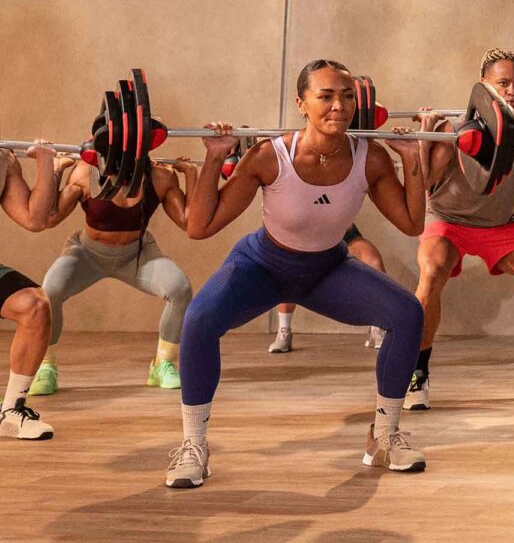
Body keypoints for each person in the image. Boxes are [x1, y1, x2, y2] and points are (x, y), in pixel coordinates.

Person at [163, 59, 428, 489]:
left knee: (407, 312)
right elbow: (199, 227)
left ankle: (383, 438)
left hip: (327, 269)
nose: (338, 106)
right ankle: (194, 447)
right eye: (325, 96)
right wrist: (214, 158)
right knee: (198, 320)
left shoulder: (370, 158)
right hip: (262, 266)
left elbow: (413, 224)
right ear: (302, 104)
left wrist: (413, 161)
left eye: (346, 96)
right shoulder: (269, 156)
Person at [406, 48, 514, 410]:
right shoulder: (456, 127)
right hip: (448, 220)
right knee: (432, 272)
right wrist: (427, 130)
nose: (513, 91)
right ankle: (417, 375)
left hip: (499, 224)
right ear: (484, 85)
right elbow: (424, 183)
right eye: (503, 83)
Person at [32, 157, 198, 395]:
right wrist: (55, 170)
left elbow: (189, 221)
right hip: (87, 253)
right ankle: (45, 367)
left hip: (137, 254)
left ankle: (163, 364)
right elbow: (49, 217)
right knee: (51, 291)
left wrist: (191, 174)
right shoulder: (84, 173)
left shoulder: (161, 176)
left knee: (179, 289)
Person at [0, 143, 58, 439]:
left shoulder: (3, 159)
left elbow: (34, 219)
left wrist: (45, 161)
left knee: (34, 305)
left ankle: (11, 410)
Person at [267, 224, 389, 352]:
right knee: (290, 268)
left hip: (343, 236)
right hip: (307, 241)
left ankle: (377, 325)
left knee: (373, 262)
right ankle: (283, 330)